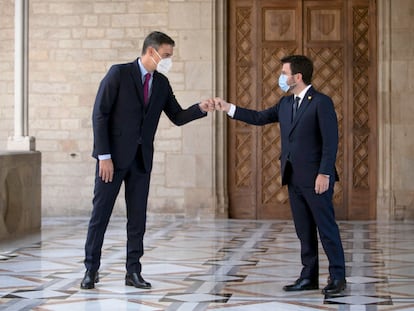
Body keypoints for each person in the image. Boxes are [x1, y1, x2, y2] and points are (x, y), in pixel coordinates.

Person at [80, 31, 215, 290]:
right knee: (100, 215)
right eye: (165, 55)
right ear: (151, 52)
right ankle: (90, 269)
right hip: (112, 160)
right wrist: (103, 156)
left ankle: (133, 272)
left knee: (138, 219)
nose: (168, 61)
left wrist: (200, 108)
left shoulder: (161, 84)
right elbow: (100, 115)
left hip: (141, 161)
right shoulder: (118, 74)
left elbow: (176, 116)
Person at [215, 55, 346, 295]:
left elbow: (330, 142)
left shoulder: (321, 102)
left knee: (326, 229)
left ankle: (338, 278)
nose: (281, 77)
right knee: (303, 230)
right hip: (292, 176)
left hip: (317, 178)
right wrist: (229, 108)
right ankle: (309, 277)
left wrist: (325, 173)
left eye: (284, 73)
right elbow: (259, 117)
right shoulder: (285, 104)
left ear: (298, 76)